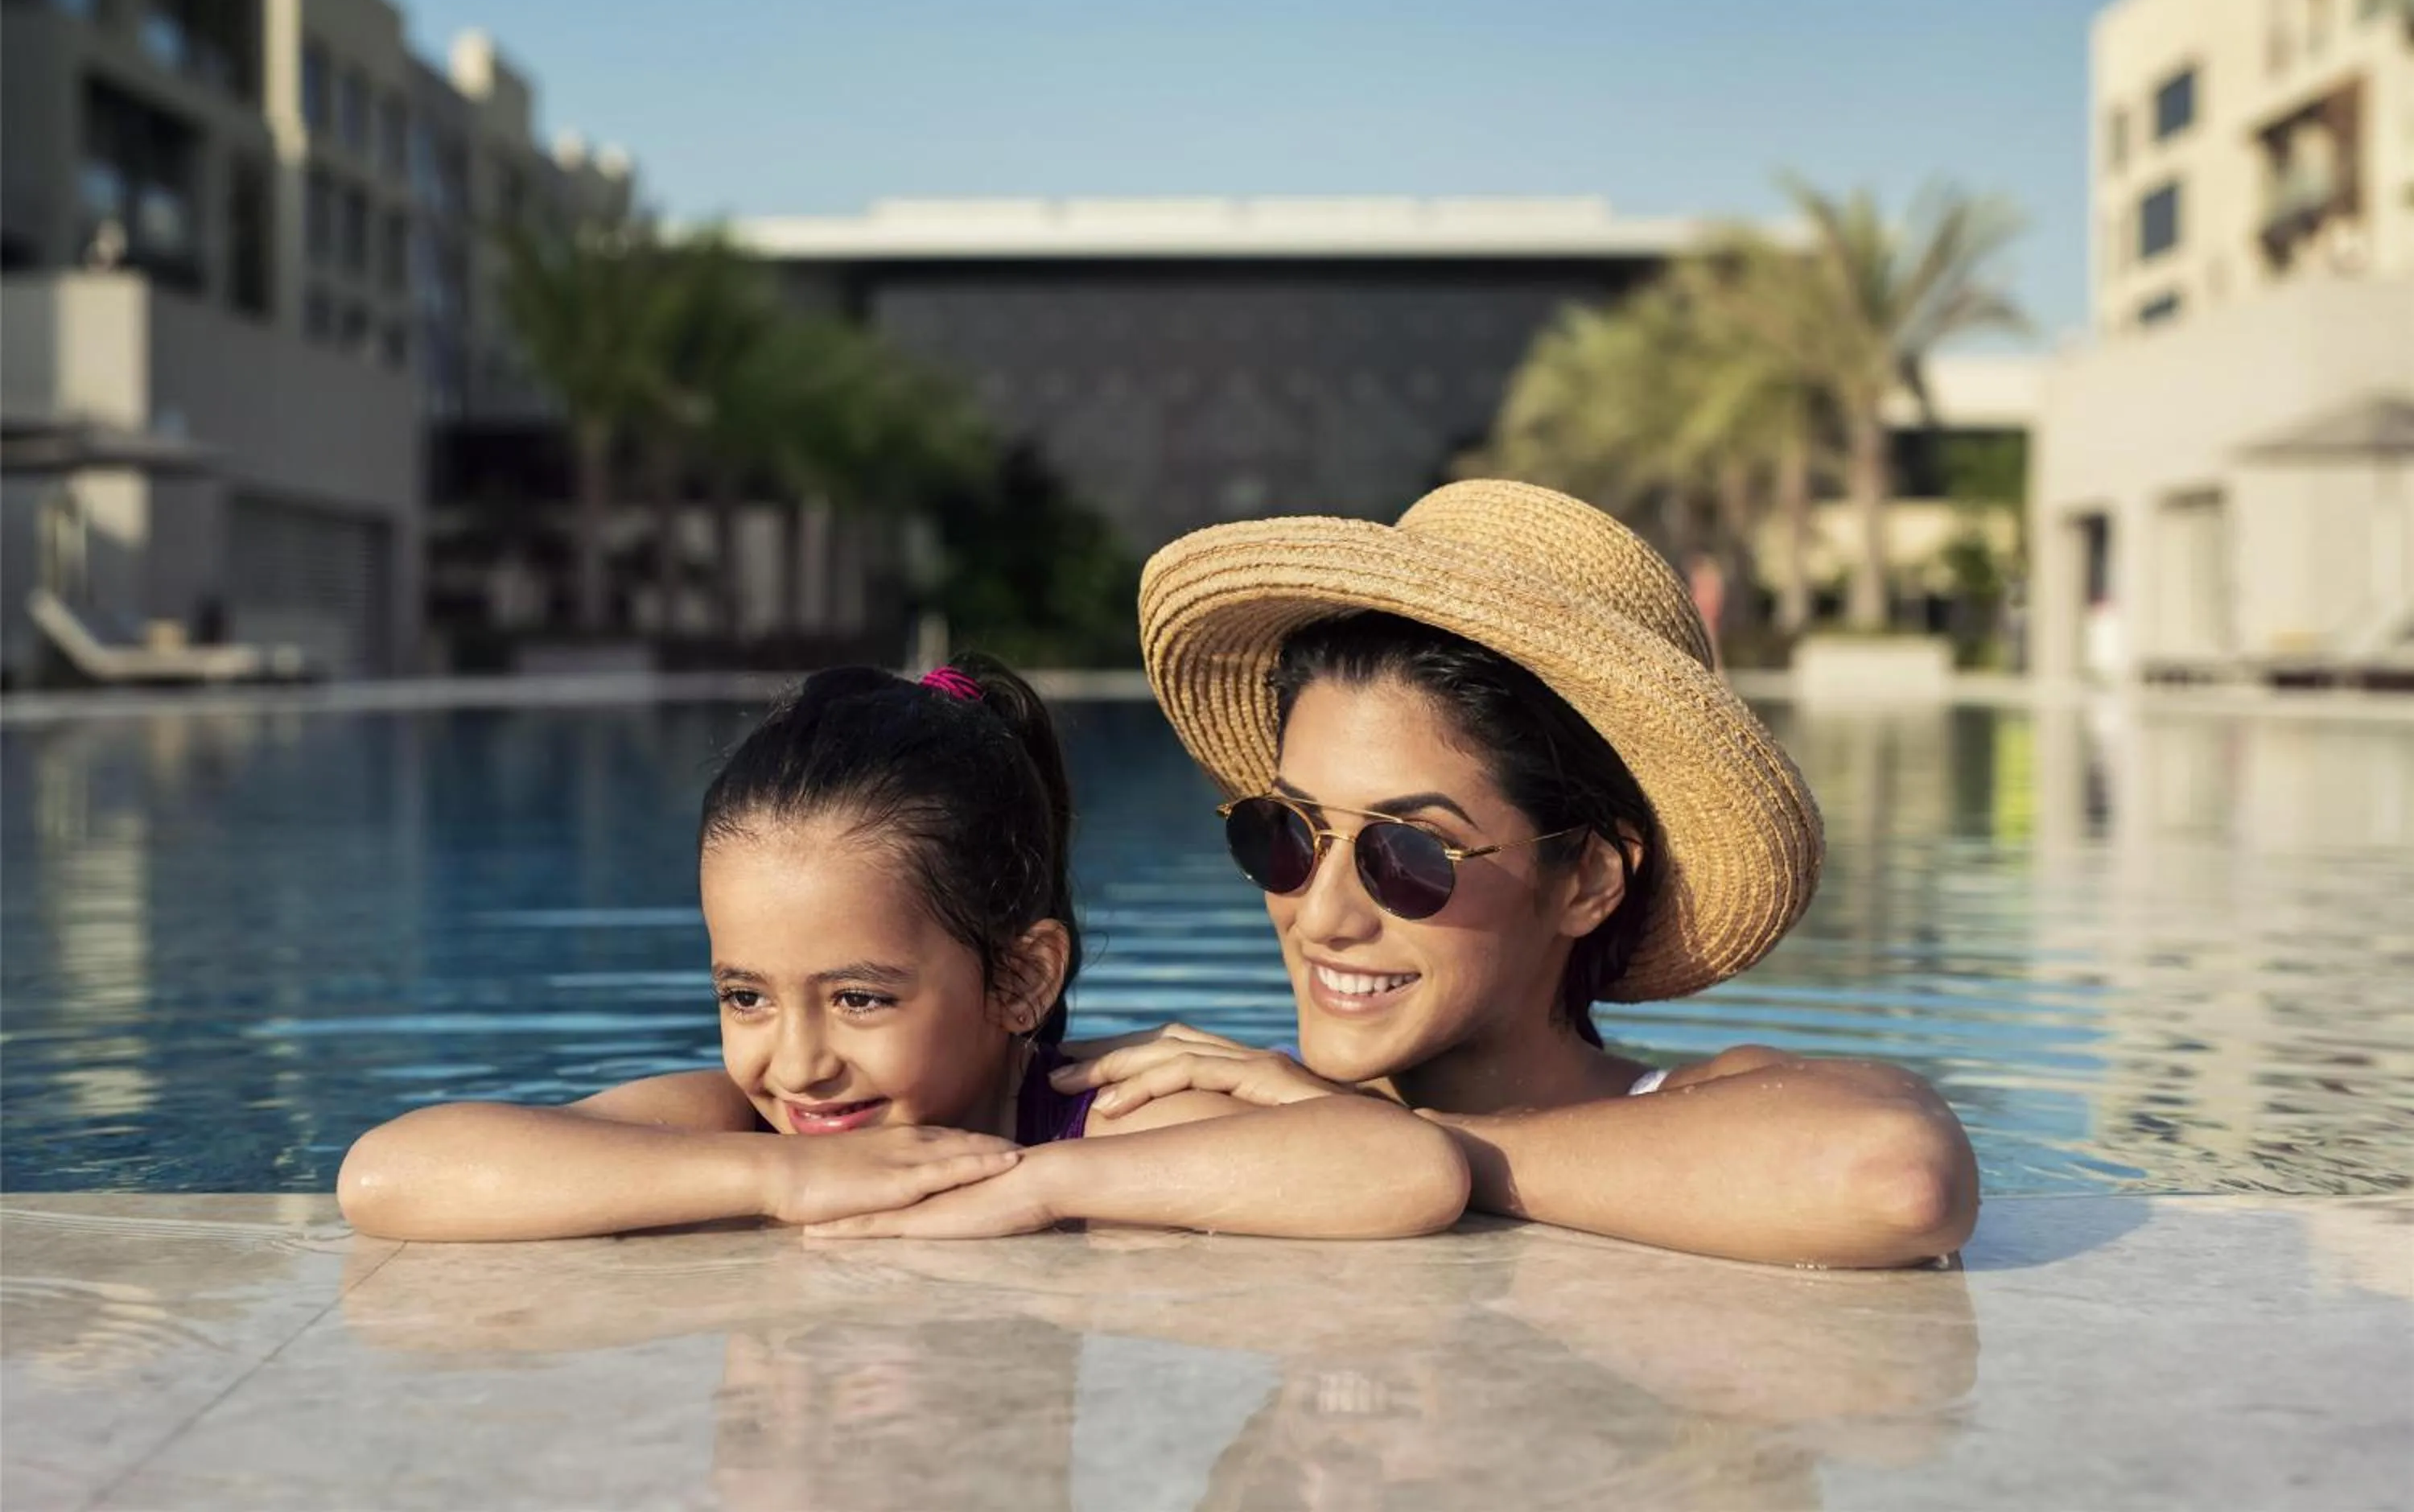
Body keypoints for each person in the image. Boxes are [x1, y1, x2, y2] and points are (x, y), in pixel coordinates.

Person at [1054, 480, 1979, 1268]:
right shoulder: (1217, 1103)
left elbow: (1897, 1176)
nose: (1322, 914)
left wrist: (1401, 1150)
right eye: (1287, 832)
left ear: (1587, 879)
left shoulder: (1710, 1109)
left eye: (1407, 852)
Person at [339, 657, 1468, 1243]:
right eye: (744, 994)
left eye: (861, 1000)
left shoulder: (1091, 1116)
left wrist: (1035, 1189)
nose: (796, 1063)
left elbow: (1407, 1171)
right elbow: (390, 1173)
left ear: (1022, 976)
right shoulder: (752, 1129)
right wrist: (776, 1177)